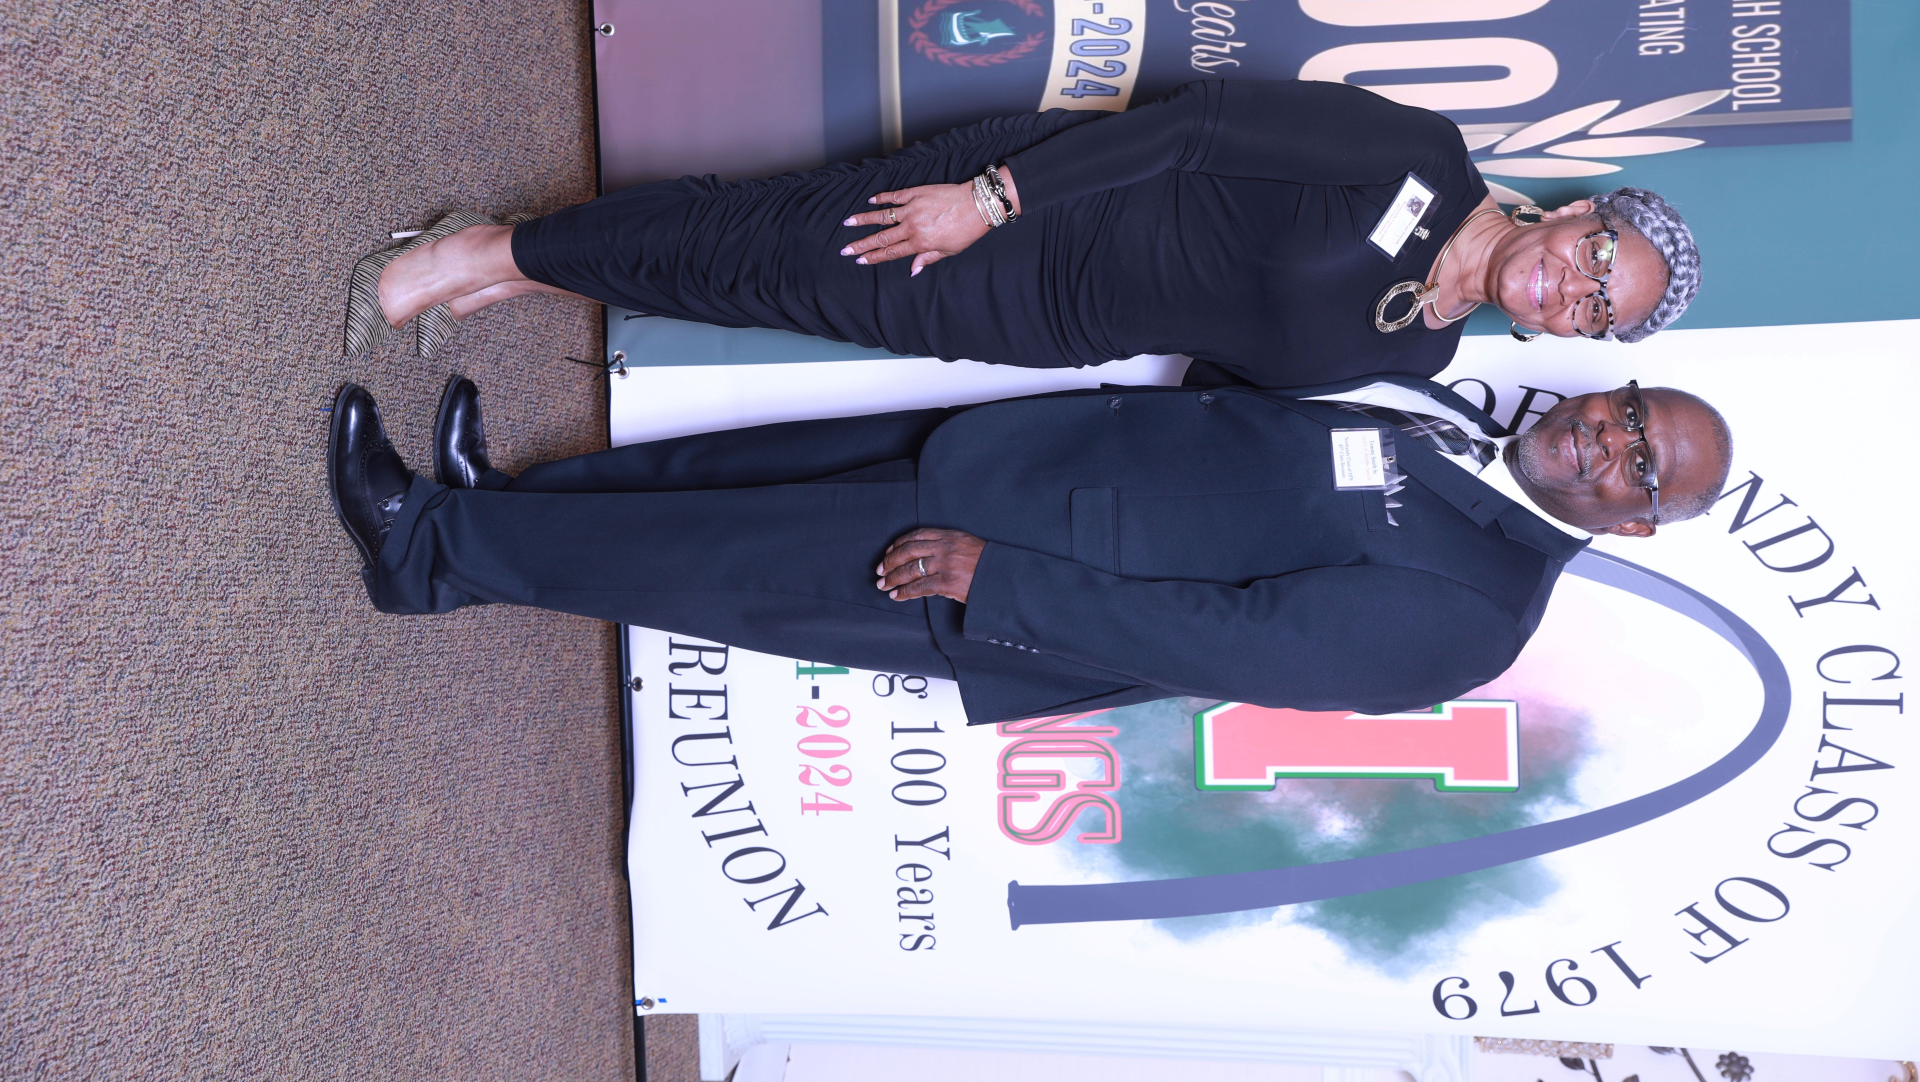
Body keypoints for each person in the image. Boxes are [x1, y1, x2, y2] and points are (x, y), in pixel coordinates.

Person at [329, 372, 1733, 726]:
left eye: (1639, 464)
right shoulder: (1458, 438)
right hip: (1022, 461)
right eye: (1627, 413)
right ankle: (501, 498)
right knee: (722, 479)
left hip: (992, 557)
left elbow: (1231, 646)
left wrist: (1003, 579)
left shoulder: (1477, 612)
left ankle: (430, 550)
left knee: (716, 558)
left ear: (1637, 521)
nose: (1607, 439)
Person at [345, 80, 1702, 383]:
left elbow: (1222, 371)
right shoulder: (1419, 157)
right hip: (1033, 202)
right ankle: (482, 254)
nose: (1573, 289)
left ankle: (530, 260)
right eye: (1598, 259)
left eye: (1600, 310)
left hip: (1046, 325)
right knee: (765, 241)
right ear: (1581, 209)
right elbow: (1198, 127)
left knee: (771, 280)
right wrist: (988, 198)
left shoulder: (1420, 359)